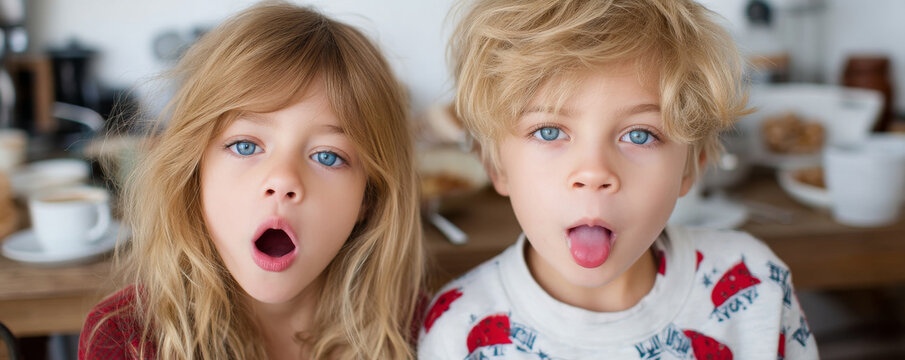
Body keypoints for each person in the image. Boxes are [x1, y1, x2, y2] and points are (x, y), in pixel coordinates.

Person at [419, 0, 818, 358]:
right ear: (496, 166)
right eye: (549, 131)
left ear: (691, 166)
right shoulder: (457, 329)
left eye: (639, 135)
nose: (594, 174)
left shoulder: (757, 287)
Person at [79, 2, 424, 359]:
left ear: (369, 198)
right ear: (194, 171)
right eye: (245, 146)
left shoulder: (423, 330)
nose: (283, 180)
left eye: (327, 156)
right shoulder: (124, 340)